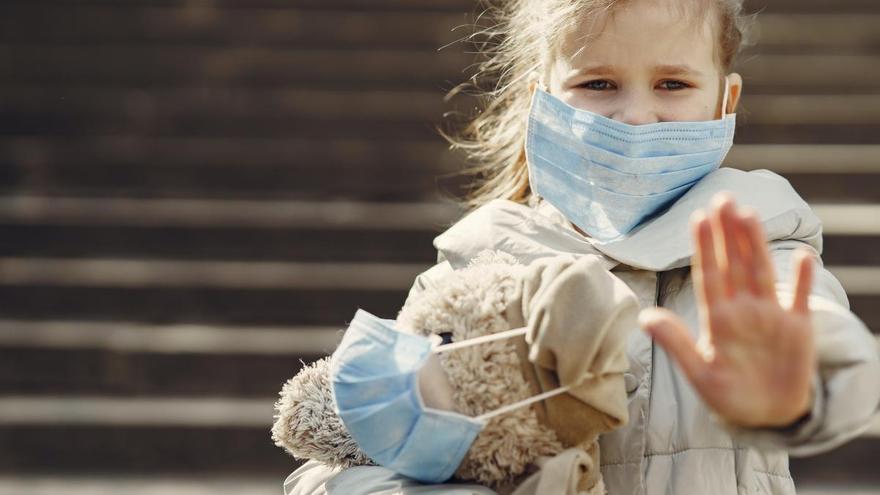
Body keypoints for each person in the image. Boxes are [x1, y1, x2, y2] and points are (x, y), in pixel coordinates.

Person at [283, 0, 880, 493]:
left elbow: (812, 322)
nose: (636, 116)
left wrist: (799, 377)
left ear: (725, 100)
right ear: (543, 100)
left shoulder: (757, 237)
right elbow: (352, 454)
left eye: (673, 83)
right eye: (598, 83)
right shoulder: (479, 266)